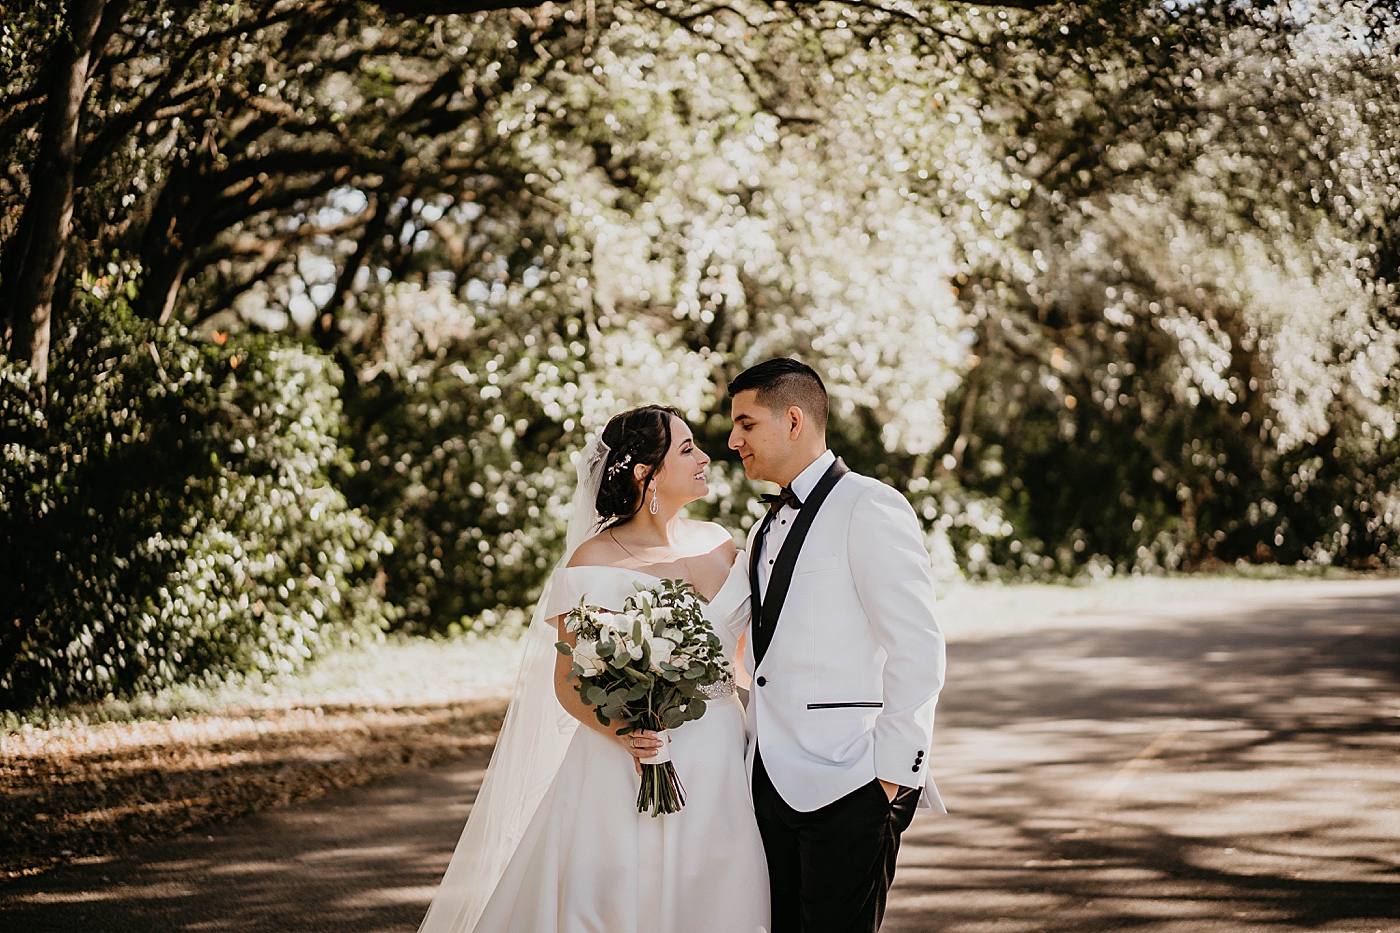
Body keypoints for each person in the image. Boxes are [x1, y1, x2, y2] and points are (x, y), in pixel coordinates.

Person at [417, 405, 770, 933]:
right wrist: (629, 733)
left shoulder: (722, 540)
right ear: (644, 474)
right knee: (622, 897)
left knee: (718, 891)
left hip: (720, 751)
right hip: (625, 761)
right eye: (687, 449)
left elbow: (742, 659)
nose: (705, 458)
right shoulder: (593, 561)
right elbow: (569, 683)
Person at [728, 358, 946, 933]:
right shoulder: (760, 529)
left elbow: (918, 647)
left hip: (853, 781)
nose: (733, 441)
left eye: (746, 425)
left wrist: (892, 780)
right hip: (769, 783)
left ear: (793, 420)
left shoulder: (870, 505)